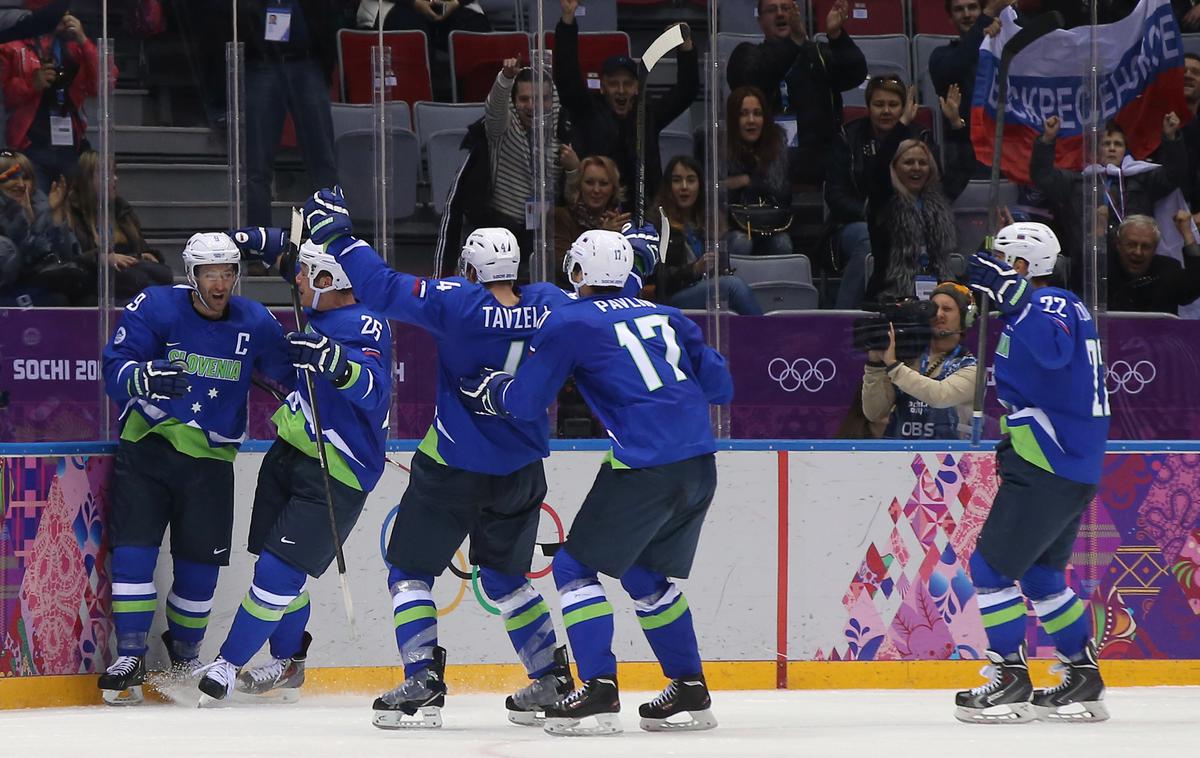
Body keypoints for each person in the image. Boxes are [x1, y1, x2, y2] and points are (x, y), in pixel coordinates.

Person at [284, 186, 655, 728]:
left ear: (471, 268)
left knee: (409, 572)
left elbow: (382, 288)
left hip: (452, 469)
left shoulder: (458, 301)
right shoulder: (551, 304)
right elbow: (606, 301)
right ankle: (550, 676)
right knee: (507, 579)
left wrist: (337, 234)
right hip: (522, 471)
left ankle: (423, 682)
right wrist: (638, 257)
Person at [458, 230, 734, 737]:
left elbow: (525, 402)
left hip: (644, 466)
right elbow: (721, 386)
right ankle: (690, 687)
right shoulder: (671, 316)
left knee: (573, 567)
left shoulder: (571, 320)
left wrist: (493, 390)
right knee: (644, 575)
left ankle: (600, 691)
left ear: (578, 274)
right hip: (699, 465)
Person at [96, 232, 294, 705]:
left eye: (227, 272)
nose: (219, 281)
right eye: (209, 272)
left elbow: (288, 375)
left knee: (199, 569)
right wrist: (141, 376)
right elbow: (114, 368)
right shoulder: (157, 307)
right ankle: (129, 655)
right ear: (192, 275)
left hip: (211, 461)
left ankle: (185, 658)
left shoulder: (257, 321)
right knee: (133, 555)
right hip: (149, 446)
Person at [194, 239, 393, 705]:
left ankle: (227, 664)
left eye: (308, 273)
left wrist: (332, 360)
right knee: (275, 564)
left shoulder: (363, 323)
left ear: (331, 281)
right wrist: (257, 240)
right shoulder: (323, 301)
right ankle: (288, 664)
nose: (297, 279)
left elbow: (373, 390)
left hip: (336, 470)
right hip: (289, 453)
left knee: (277, 575)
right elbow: (293, 257)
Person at [955, 221, 1110, 724]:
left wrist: (1015, 292)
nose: (991, 268)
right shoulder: (1036, 308)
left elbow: (1053, 350)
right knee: (1043, 577)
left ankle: (1010, 677)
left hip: (1050, 460)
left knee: (990, 571)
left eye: (1001, 259)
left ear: (1023, 265)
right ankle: (1082, 675)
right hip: (1061, 460)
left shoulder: (1050, 304)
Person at [829, 76, 964, 308]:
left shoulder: (921, 141)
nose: (886, 111)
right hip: (861, 233)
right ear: (867, 107)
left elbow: (959, 173)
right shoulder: (850, 139)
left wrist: (956, 124)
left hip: (929, 272)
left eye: (893, 105)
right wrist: (874, 214)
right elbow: (874, 173)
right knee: (866, 238)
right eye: (879, 104)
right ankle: (844, 316)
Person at [553, 0, 697, 206]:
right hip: (597, 213)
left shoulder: (647, 114)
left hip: (644, 213)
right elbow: (567, 77)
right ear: (602, 87)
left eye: (627, 84)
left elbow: (687, 91)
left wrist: (686, 48)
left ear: (637, 87)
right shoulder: (588, 111)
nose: (621, 90)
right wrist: (567, 22)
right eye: (613, 84)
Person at [726, 0, 864, 185]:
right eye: (772, 10)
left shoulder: (817, 54)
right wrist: (794, 42)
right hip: (768, 162)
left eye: (786, 8)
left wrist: (837, 36)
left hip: (821, 161)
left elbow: (856, 73)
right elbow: (753, 78)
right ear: (760, 20)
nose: (781, 14)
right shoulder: (747, 54)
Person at [1031, 114, 1186, 270]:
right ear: (1097, 150)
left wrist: (1171, 138)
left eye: (1118, 144)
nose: (1112, 148)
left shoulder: (1142, 179)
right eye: (1106, 143)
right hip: (1089, 269)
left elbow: (1175, 174)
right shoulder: (1078, 182)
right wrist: (1047, 139)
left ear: (1125, 150)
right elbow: (1043, 176)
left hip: (1135, 264)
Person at [236, 0, 339, 228]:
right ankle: (260, 247)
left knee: (322, 159)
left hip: (307, 60)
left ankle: (332, 242)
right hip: (261, 63)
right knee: (256, 166)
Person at [864, 90, 958, 303]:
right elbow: (880, 164)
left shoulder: (938, 199)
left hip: (939, 292)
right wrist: (903, 123)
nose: (917, 168)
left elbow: (962, 169)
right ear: (895, 167)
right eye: (908, 162)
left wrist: (955, 124)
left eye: (922, 163)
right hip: (892, 294)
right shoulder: (884, 199)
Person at [483, 57, 573, 273]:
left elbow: (574, 196)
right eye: (524, 99)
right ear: (514, 101)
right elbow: (494, 110)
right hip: (504, 230)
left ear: (553, 101)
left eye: (541, 99)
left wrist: (573, 169)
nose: (532, 106)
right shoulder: (502, 129)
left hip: (547, 231)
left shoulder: (562, 133)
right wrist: (505, 79)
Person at [0, 11, 106, 191]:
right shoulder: (12, 45)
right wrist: (32, 84)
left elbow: (104, 84)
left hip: (69, 145)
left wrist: (83, 41)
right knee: (37, 210)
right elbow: (3, 95)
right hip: (29, 147)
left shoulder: (75, 47)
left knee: (69, 211)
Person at [861, 283, 978, 440]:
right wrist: (875, 366)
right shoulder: (907, 360)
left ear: (965, 319)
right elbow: (874, 413)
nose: (939, 314)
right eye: (934, 308)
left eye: (947, 309)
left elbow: (940, 396)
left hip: (949, 460)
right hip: (897, 457)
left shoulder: (971, 368)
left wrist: (894, 366)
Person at [654, 155, 762, 314]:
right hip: (672, 296)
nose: (684, 187)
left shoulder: (709, 219)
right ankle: (768, 335)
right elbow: (658, 278)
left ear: (700, 185)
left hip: (704, 288)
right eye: (677, 180)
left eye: (691, 180)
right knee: (732, 287)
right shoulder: (658, 223)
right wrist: (694, 269)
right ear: (668, 186)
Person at [66, 149, 172, 303]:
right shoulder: (72, 214)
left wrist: (146, 254)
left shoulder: (122, 210)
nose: (115, 179)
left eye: (114, 172)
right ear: (87, 180)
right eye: (107, 175)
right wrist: (102, 258)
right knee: (145, 287)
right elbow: (71, 260)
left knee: (164, 274)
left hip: (128, 272)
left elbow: (139, 247)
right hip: (94, 278)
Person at [928, 0, 1016, 177]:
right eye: (959, 10)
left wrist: (995, 39)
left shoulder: (1002, 52)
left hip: (1009, 151)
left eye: (973, 7)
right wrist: (986, 17)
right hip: (965, 158)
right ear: (950, 19)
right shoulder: (941, 56)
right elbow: (954, 68)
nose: (967, 14)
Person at [0, 148, 81, 306]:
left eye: (26, 178)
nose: (21, 184)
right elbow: (21, 259)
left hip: (39, 283)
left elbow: (67, 256)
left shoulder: (42, 204)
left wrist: (56, 216)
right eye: (11, 177)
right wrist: (26, 217)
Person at [725, 86, 792, 257]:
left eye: (757, 113)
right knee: (741, 242)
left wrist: (748, 181)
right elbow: (716, 194)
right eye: (743, 114)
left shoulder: (776, 143)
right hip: (730, 226)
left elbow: (782, 194)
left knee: (782, 243)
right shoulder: (721, 145)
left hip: (769, 225)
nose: (751, 120)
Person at [553, 155, 628, 287]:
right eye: (589, 183)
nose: (596, 190)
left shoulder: (621, 222)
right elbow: (562, 267)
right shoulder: (561, 217)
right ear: (579, 185)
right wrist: (603, 236)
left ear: (613, 189)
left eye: (604, 184)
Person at [1108, 213, 1200, 314]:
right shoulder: (1104, 270)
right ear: (1118, 244)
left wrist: (1188, 234)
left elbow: (1192, 288)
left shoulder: (1168, 269)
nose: (1138, 252)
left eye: (1146, 246)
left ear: (1155, 248)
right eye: (1131, 245)